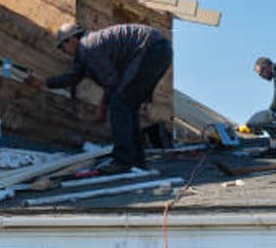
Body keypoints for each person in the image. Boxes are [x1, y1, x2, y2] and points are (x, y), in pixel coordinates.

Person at [25, 22, 172, 172]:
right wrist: (43, 82)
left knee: (119, 104)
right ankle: (136, 161)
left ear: (72, 40)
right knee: (128, 105)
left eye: (62, 46)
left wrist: (102, 108)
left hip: (151, 49)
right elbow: (73, 77)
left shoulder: (89, 47)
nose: (63, 51)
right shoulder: (87, 51)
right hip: (159, 50)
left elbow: (112, 83)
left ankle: (123, 160)